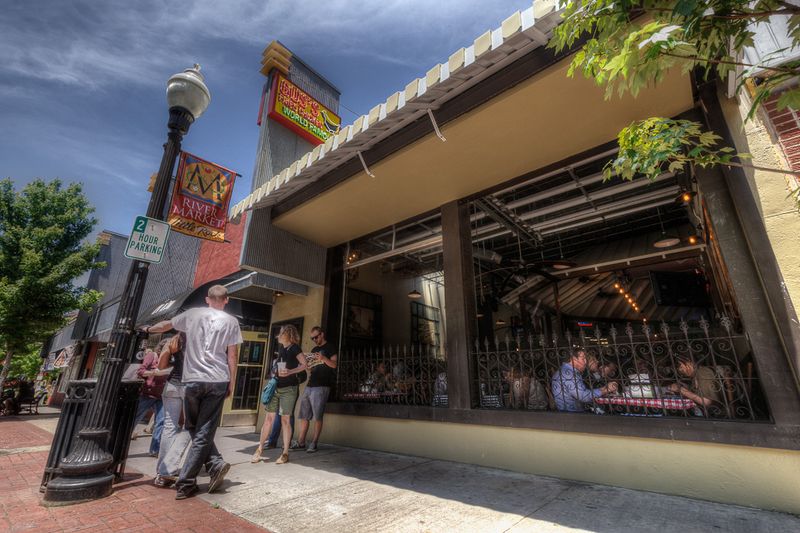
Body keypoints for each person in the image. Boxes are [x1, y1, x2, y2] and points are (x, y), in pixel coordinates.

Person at [143, 284, 242, 500]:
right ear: (226, 300)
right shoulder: (232, 321)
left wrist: (147, 329)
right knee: (202, 430)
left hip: (192, 380)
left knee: (194, 427)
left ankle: (192, 478)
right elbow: (232, 355)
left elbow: (165, 325)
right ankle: (196, 475)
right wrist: (232, 383)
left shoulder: (192, 314)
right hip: (218, 379)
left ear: (207, 299)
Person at [252, 324, 306, 464]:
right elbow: (279, 366)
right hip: (276, 387)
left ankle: (285, 453)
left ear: (288, 334)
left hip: (289, 389)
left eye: (281, 333)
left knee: (285, 420)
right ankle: (259, 449)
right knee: (268, 419)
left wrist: (290, 371)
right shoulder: (282, 349)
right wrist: (275, 371)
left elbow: (304, 364)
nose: (278, 336)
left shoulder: (295, 348)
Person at [151, 333, 190, 488]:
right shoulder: (199, 337)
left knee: (169, 426)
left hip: (172, 385)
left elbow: (161, 366)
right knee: (189, 427)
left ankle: (160, 473)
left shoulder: (175, 338)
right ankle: (167, 469)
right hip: (190, 386)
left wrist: (171, 352)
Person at [294, 326, 337, 453]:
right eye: (312, 338)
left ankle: (314, 443)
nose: (314, 340)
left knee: (317, 416)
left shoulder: (330, 347)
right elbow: (312, 368)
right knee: (304, 415)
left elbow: (334, 365)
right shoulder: (314, 349)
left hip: (322, 385)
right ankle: (301, 442)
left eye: (316, 337)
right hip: (310, 384)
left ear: (322, 334)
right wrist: (307, 366)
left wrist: (323, 358)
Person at [551, 348, 618, 412]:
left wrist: (605, 388)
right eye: (583, 359)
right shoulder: (568, 374)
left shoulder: (568, 371)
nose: (586, 362)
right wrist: (606, 390)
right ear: (574, 359)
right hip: (572, 414)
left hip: (573, 412)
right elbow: (583, 397)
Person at [133, 343, 167, 457]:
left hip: (161, 395)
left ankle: (155, 450)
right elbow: (140, 371)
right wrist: (154, 372)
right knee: (135, 418)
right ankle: (121, 441)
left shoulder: (168, 360)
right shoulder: (152, 355)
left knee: (161, 421)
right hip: (147, 394)